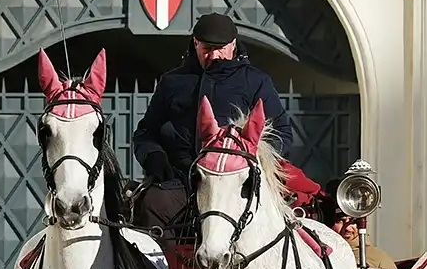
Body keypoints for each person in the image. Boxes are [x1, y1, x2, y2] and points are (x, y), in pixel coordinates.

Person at [130, 13, 308, 229]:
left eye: (221, 48)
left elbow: (281, 135)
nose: (214, 55)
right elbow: (145, 133)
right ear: (195, 43)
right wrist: (154, 157)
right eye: (207, 49)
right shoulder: (172, 82)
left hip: (236, 185)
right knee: (151, 203)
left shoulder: (255, 82)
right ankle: (165, 264)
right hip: (180, 182)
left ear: (233, 44)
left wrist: (252, 159)